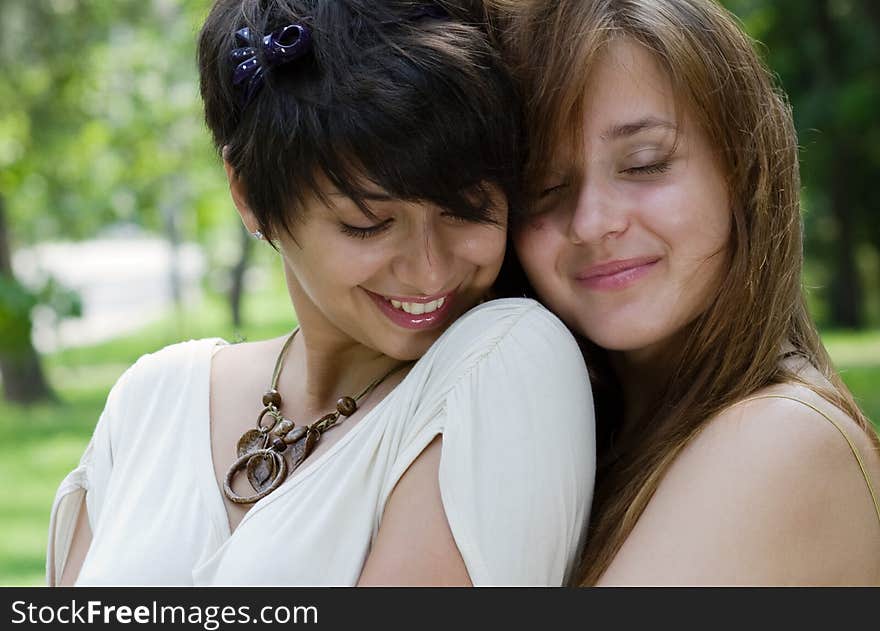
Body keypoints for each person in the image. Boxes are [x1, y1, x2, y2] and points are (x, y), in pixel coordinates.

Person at [46, 0, 595, 587]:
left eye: (468, 209)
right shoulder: (150, 401)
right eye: (367, 223)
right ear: (249, 195)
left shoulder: (502, 364)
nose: (429, 270)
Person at [492, 0, 880, 584]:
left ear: (745, 171)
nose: (592, 221)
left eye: (645, 164)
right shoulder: (593, 434)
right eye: (544, 186)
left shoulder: (780, 439)